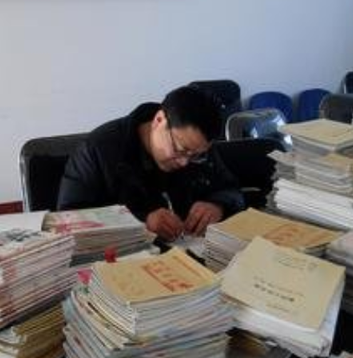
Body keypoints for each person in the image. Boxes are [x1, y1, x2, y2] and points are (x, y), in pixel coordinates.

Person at [57, 85, 244, 241]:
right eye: (180, 150)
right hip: (123, 260)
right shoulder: (97, 149)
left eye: (196, 156)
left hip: (189, 253)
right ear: (159, 120)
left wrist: (218, 205)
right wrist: (141, 223)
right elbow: (68, 219)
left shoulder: (197, 146)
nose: (184, 162)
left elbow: (232, 190)